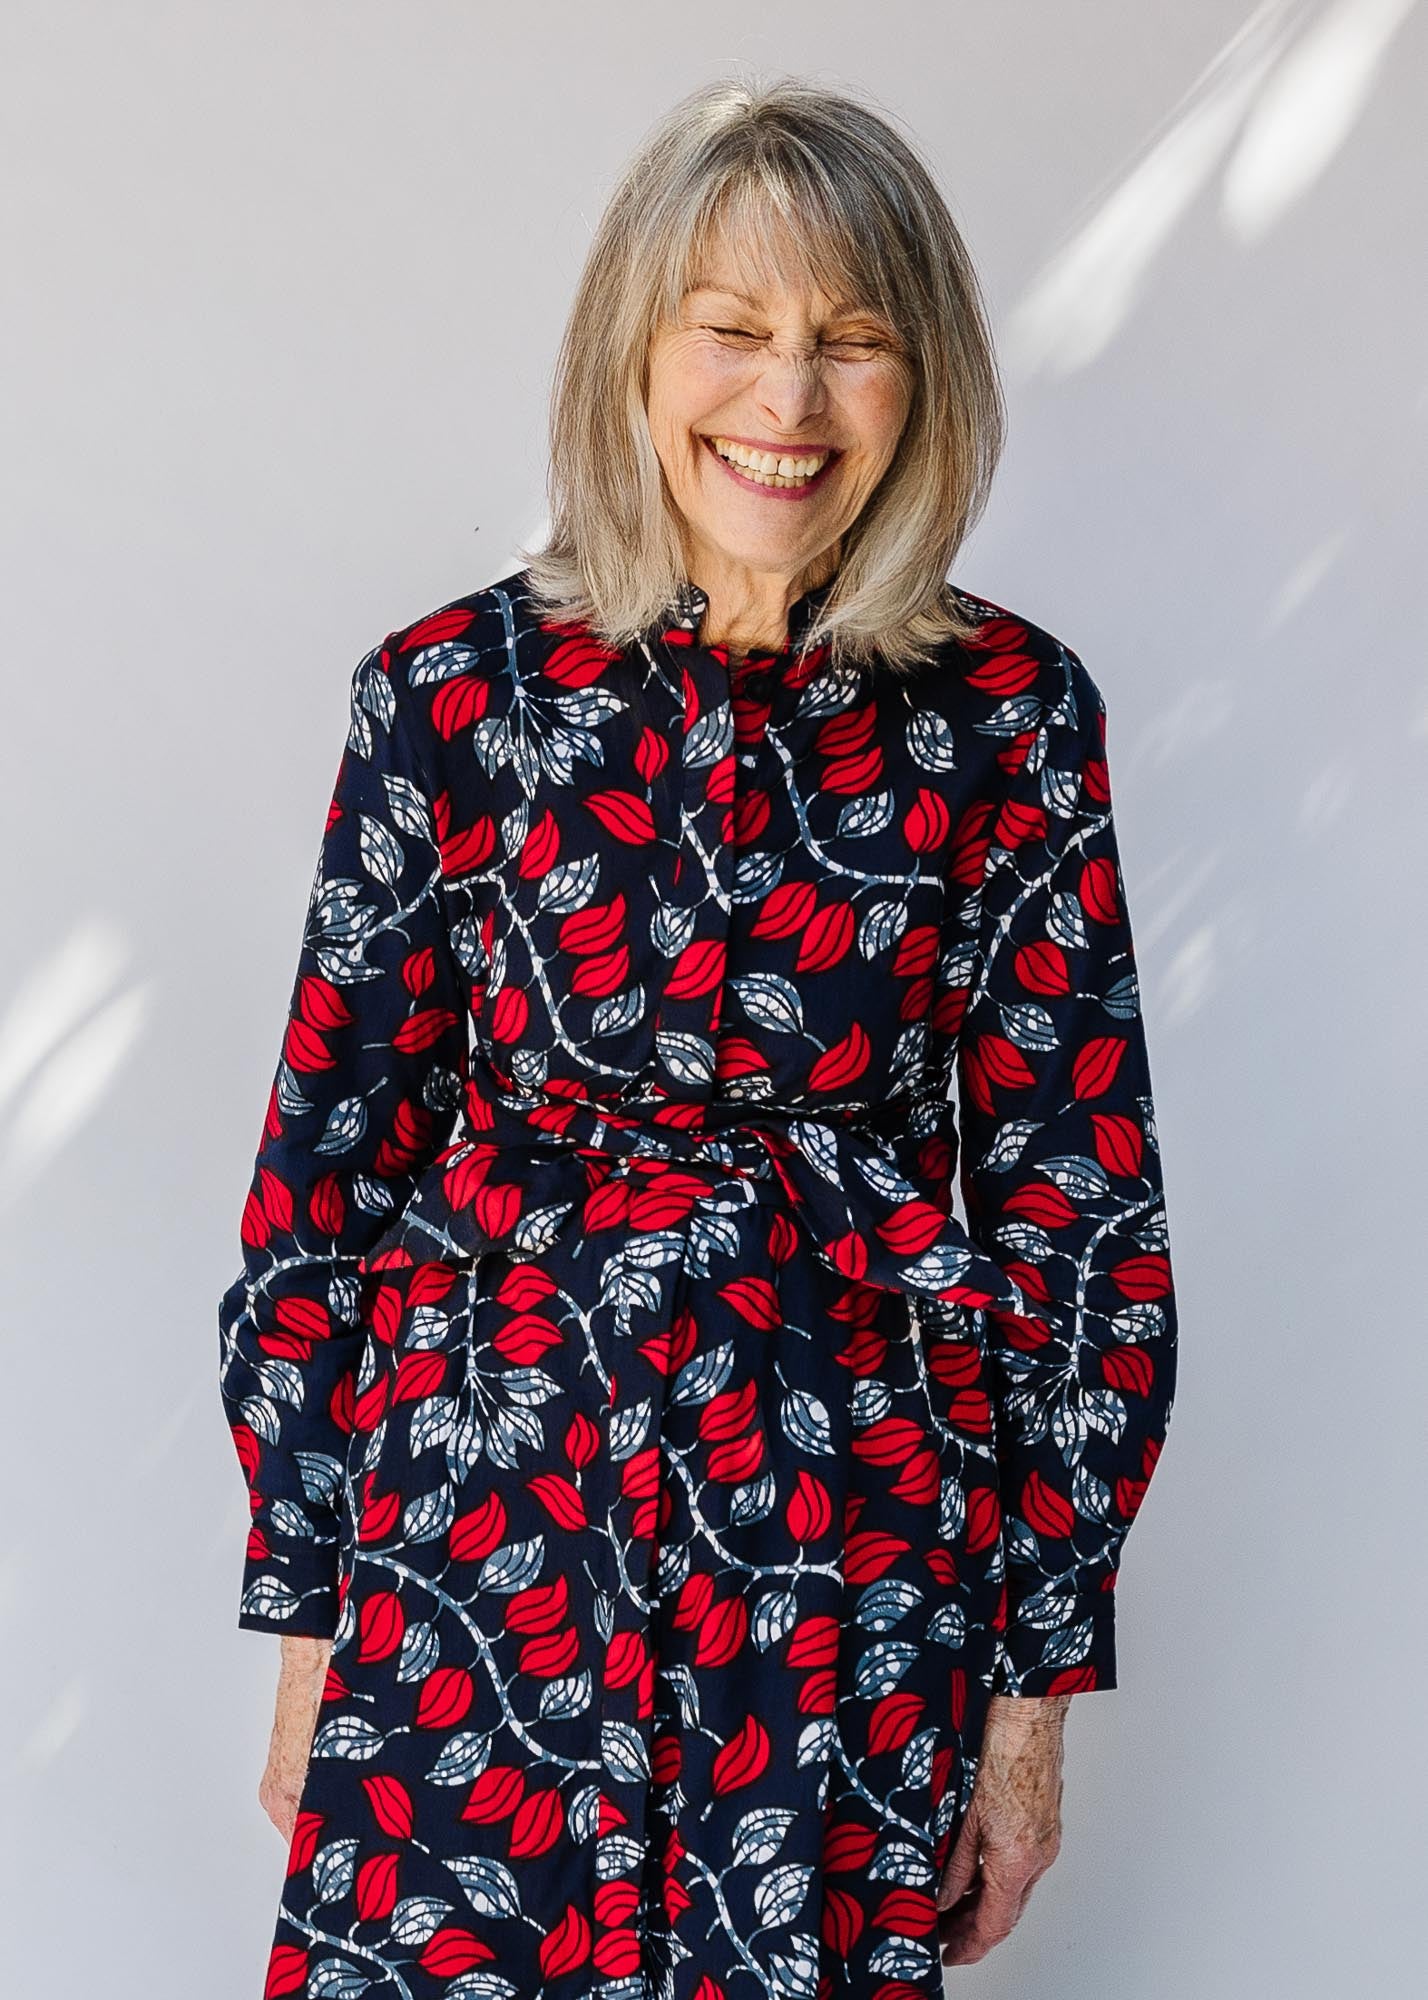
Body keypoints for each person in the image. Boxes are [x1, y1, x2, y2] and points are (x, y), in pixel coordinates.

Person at [218, 74, 1178, 1997]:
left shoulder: (1008, 719)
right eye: (732, 331)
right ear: (636, 355)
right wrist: (314, 1610)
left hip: (850, 1538)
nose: (787, 402)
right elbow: (328, 1172)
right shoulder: (448, 697)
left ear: (929, 381)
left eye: (852, 342)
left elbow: (1082, 1216)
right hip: (483, 1539)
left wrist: (1033, 1706)